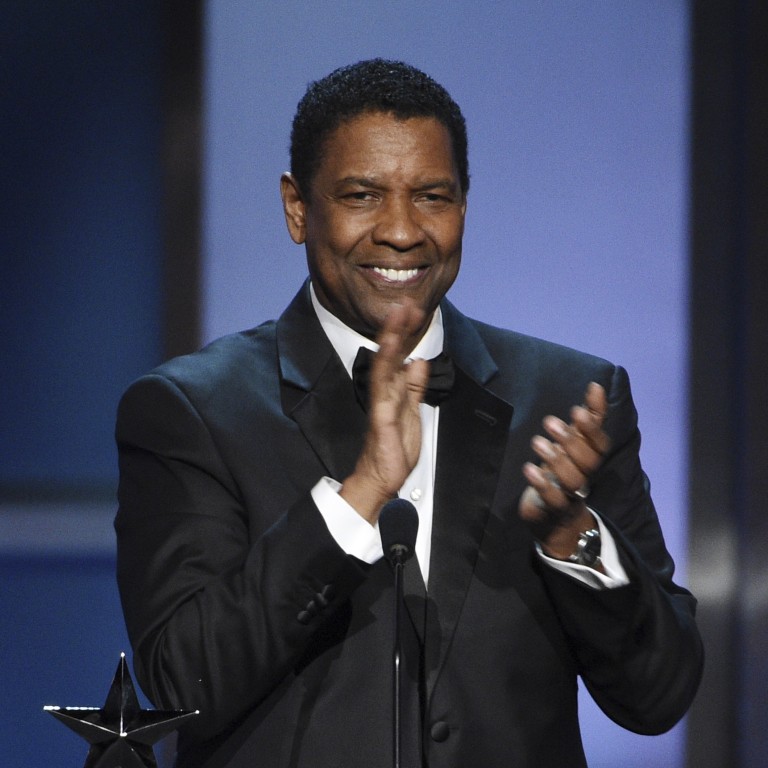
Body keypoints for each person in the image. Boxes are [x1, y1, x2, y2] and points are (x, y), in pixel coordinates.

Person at [115, 59, 703, 768]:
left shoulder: (569, 397)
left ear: (465, 204)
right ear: (298, 208)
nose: (401, 231)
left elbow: (659, 696)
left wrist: (574, 540)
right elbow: (186, 680)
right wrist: (358, 494)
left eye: (432, 196)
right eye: (362, 195)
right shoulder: (194, 411)